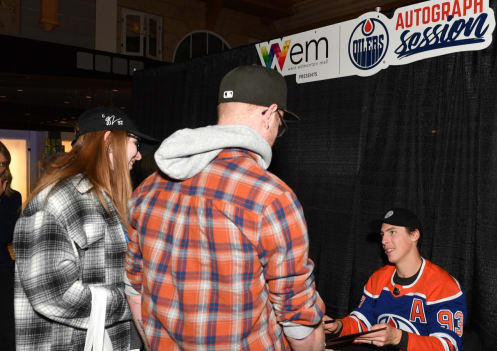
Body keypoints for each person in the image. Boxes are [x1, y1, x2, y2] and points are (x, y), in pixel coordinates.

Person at [125, 65, 325, 350]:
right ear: (269, 114)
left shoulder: (146, 189)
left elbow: (134, 290)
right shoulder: (271, 197)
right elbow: (299, 322)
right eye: (281, 122)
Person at [13, 106, 154, 350]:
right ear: (109, 141)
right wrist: (131, 301)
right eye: (135, 143)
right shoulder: (55, 202)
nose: (139, 155)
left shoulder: (112, 201)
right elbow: (51, 294)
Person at [323, 208, 466, 351]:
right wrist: (339, 326)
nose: (384, 241)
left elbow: (448, 346)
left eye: (392, 232)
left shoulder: (443, 285)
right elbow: (362, 322)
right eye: (382, 234)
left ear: (414, 235)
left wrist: (398, 338)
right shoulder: (378, 278)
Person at [0, 141, 22, 349]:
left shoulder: (12, 197)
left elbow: (6, 234)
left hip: (4, 272)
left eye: (2, 164)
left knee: (7, 334)